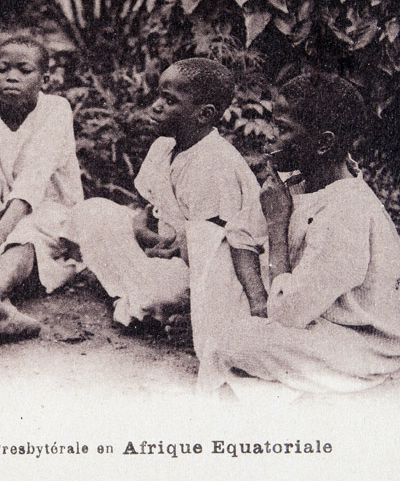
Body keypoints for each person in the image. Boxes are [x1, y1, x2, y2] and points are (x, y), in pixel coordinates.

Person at [196, 73, 400, 395]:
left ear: (324, 144)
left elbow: (288, 315)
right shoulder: (301, 182)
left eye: (283, 128)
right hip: (309, 316)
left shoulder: (346, 210)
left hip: (363, 345)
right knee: (215, 248)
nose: (269, 138)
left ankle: (232, 410)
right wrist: (259, 302)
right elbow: (239, 235)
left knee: (227, 343)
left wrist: (276, 226)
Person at [69, 58, 266, 345]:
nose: (157, 106)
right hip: (162, 248)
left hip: (202, 269)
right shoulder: (164, 145)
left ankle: (161, 306)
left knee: (161, 289)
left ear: (204, 114)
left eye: (170, 100)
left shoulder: (217, 162)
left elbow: (214, 247)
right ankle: (138, 300)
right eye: (159, 95)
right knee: (91, 211)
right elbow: (148, 205)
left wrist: (172, 250)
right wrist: (140, 227)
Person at [0, 37, 84, 342]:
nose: (12, 77)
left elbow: (34, 181)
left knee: (26, 233)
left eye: (24, 70)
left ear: (45, 79)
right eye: (2, 69)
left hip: (50, 210)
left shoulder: (56, 110)